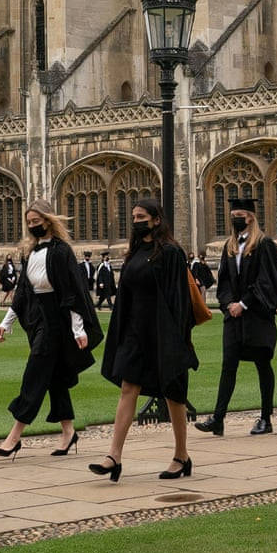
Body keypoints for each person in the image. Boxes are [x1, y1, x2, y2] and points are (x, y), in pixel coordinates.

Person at [91, 197, 197, 482]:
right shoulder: (135, 253)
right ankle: (114, 456)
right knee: (129, 387)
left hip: (164, 333)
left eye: (142, 217)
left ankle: (181, 455)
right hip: (136, 333)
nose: (137, 221)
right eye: (134, 217)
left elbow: (179, 300)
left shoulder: (172, 253)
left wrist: (179, 339)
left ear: (157, 219)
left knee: (173, 394)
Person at [0, 200, 101, 459]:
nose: (32, 227)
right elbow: (22, 293)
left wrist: (78, 329)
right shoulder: (29, 254)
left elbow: (71, 292)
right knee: (55, 378)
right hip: (38, 317)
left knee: (35, 373)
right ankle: (68, 432)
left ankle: (14, 436)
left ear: (48, 221)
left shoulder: (61, 251)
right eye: (29, 223)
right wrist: (6, 322)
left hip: (58, 319)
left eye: (36, 222)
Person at [195, 197, 277, 437]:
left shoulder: (264, 244)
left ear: (251, 217)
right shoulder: (229, 246)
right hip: (234, 318)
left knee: (262, 364)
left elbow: (267, 280)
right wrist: (228, 305)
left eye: (240, 215)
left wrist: (244, 303)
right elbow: (223, 281)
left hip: (257, 316)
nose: (236, 219)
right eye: (233, 215)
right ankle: (218, 418)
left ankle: (266, 418)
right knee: (228, 366)